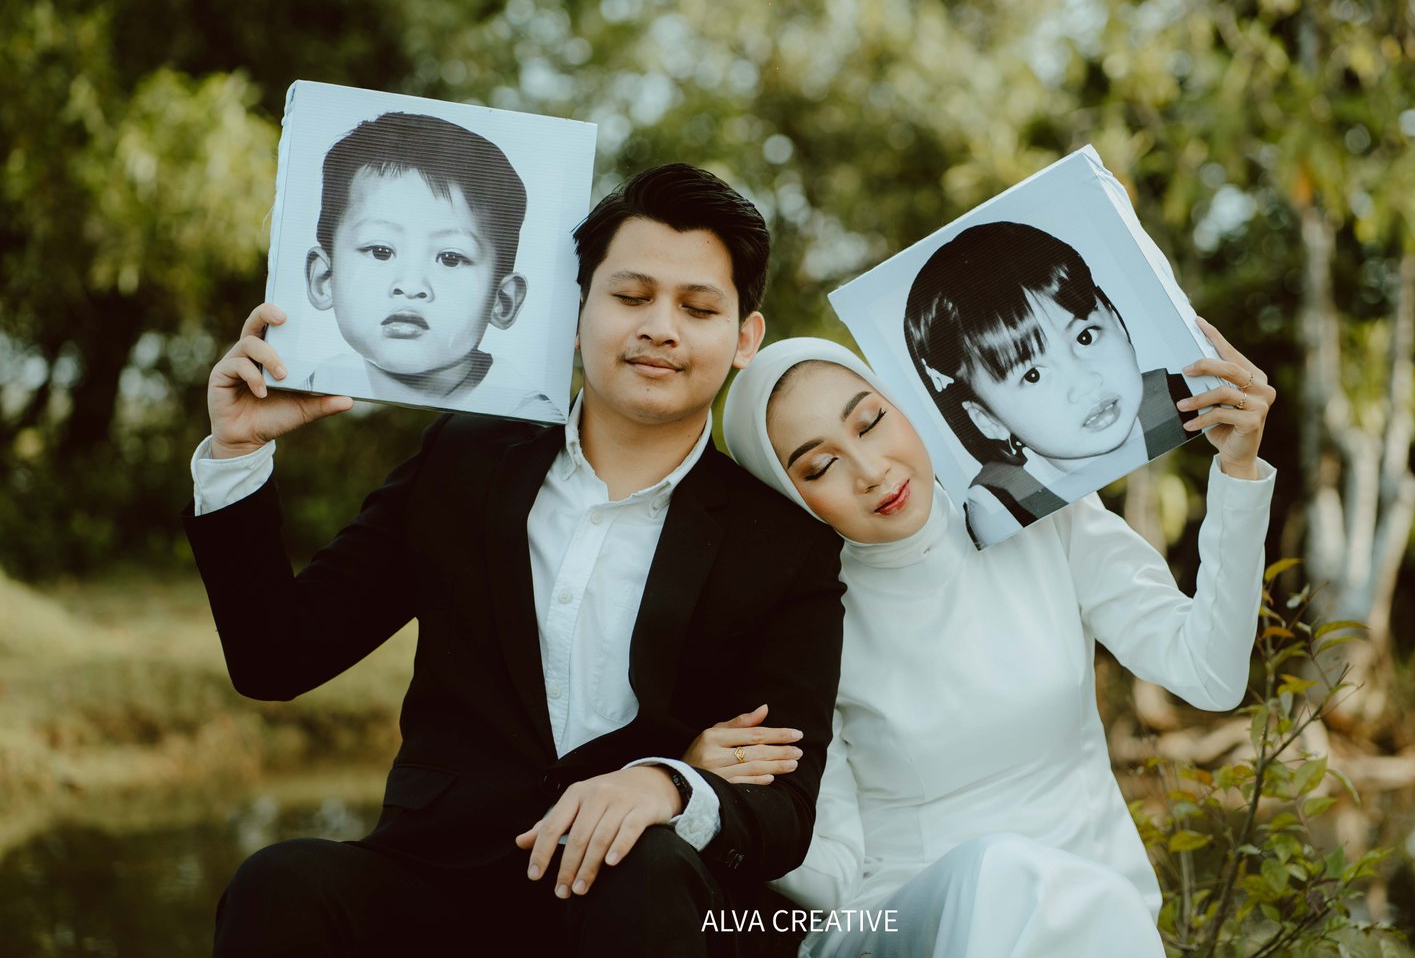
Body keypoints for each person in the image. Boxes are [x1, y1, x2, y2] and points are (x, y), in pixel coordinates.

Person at [184, 163, 845, 956]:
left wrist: (667, 781)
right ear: (576, 309)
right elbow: (275, 657)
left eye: (698, 308)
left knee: (644, 876)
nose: (661, 327)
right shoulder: (462, 460)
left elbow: (784, 813)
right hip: (442, 878)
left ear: (744, 338)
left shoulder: (785, 545)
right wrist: (236, 454)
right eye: (631, 296)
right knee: (280, 883)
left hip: (645, 897)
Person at [704, 323, 1277, 957]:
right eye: (820, 466)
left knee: (1039, 891)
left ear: (905, 404)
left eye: (870, 423)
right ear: (789, 497)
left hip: (1097, 918)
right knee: (1002, 875)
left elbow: (1209, 674)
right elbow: (834, 874)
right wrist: (714, 801)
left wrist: (1239, 470)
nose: (870, 471)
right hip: (900, 928)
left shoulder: (1030, 507)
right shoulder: (803, 618)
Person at [902, 220, 1198, 537]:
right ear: (987, 420)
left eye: (1085, 337)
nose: (1085, 383)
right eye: (1032, 375)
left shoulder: (1189, 399)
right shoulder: (1000, 508)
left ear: (1116, 320)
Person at [301, 111, 553, 416]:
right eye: (380, 251)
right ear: (324, 279)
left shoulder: (528, 418)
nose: (410, 286)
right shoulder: (317, 383)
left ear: (502, 300)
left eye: (450, 258)